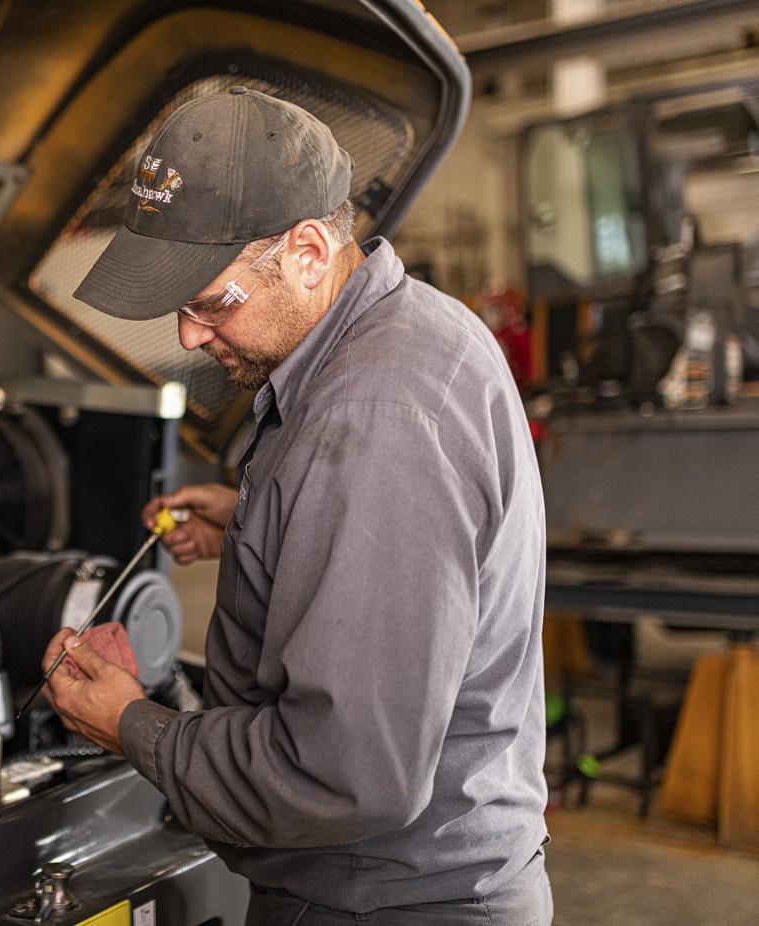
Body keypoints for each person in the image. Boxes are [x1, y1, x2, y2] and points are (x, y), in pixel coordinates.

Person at [38, 87, 551, 925]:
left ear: (308, 252)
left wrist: (130, 724)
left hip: (384, 905)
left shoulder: (374, 421)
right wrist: (267, 520)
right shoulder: (417, 329)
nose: (189, 335)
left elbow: (344, 772)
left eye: (211, 302)